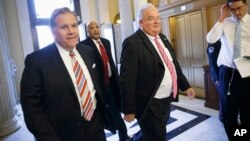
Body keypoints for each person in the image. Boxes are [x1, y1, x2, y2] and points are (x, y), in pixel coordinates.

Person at [20, 7, 115, 141]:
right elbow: (32, 110)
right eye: (64, 27)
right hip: (63, 134)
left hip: (96, 128)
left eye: (74, 25)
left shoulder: (88, 52)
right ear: (53, 31)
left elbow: (96, 88)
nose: (71, 31)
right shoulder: (36, 61)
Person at [119, 3, 195, 141]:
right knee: (157, 136)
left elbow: (173, 65)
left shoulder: (163, 38)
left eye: (158, 18)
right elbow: (127, 79)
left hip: (166, 98)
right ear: (141, 22)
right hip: (149, 101)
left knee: (153, 132)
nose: (156, 22)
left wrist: (186, 85)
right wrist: (128, 109)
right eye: (150, 18)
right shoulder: (133, 43)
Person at [206, 0, 250, 140]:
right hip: (228, 73)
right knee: (228, 113)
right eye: (232, 10)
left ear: (246, 5)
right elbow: (211, 39)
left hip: (248, 72)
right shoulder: (225, 23)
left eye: (239, 8)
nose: (236, 13)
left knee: (247, 112)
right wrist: (222, 17)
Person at [79, 21, 130, 141]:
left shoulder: (106, 42)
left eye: (97, 27)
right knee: (109, 112)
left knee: (117, 108)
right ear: (87, 31)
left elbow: (110, 61)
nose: (95, 30)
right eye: (92, 28)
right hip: (100, 86)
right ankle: (121, 134)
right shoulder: (83, 45)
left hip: (113, 82)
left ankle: (122, 134)